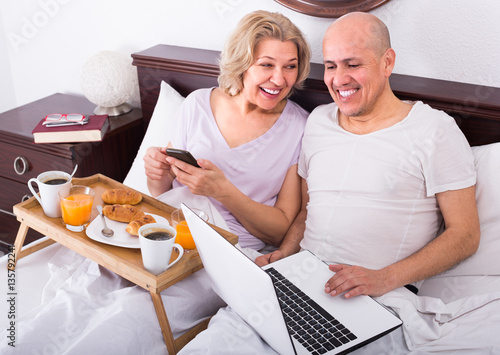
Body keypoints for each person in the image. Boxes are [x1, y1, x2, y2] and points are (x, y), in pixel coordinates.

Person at [178, 12, 480, 354]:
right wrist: (284, 255)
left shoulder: (434, 130)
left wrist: (384, 278)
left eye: (352, 64)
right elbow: (308, 210)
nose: (340, 79)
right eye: (332, 66)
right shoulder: (318, 122)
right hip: (295, 283)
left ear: (387, 62)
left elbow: (465, 234)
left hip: (378, 299)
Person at [144, 10, 311, 251]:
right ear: (241, 63)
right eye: (266, 64)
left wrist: (224, 193)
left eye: (290, 66)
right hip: (170, 232)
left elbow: (280, 232)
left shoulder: (299, 129)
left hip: (228, 250)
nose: (279, 79)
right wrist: (156, 173)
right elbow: (161, 191)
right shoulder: (197, 104)